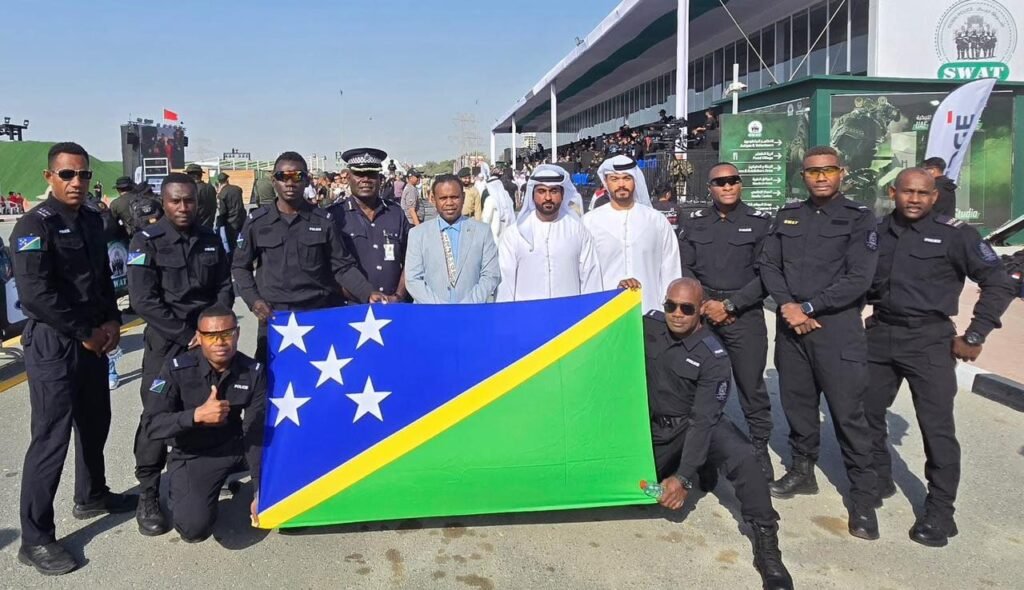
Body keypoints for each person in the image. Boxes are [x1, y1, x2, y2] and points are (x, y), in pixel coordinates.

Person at [864, 168, 1016, 547]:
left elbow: (998, 282)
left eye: (923, 193)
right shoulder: (877, 232)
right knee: (862, 411)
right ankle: (880, 475)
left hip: (929, 339)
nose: (914, 199)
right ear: (893, 192)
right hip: (881, 332)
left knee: (937, 428)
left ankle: (941, 510)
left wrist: (976, 333)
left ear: (934, 197)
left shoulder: (956, 235)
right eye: (907, 192)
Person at [11, 142, 135, 576]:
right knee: (51, 438)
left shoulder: (91, 220)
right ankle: (35, 538)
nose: (76, 182)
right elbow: (35, 295)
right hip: (55, 343)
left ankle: (92, 495)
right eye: (67, 174)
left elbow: (101, 277)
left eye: (83, 175)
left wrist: (113, 320)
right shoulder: (33, 225)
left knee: (96, 420)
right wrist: (86, 332)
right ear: (49, 177)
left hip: (92, 339)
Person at [759, 145, 880, 540]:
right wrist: (788, 306)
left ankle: (862, 498)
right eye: (813, 171)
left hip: (836, 328)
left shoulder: (859, 218)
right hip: (792, 327)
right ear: (803, 176)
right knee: (797, 404)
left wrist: (809, 307)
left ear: (842, 172)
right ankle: (802, 470)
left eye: (829, 170)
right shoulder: (788, 215)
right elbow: (769, 265)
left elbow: (859, 278)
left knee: (848, 414)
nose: (821, 177)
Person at [644, 278, 793, 590]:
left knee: (744, 457)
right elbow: (604, 327)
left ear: (700, 309)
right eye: (671, 305)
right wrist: (620, 294)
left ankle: (767, 544)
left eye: (686, 308)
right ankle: (694, 470)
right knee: (638, 489)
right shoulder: (650, 326)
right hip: (654, 429)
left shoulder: (713, 356)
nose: (677, 314)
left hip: (696, 424)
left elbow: (703, 421)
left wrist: (683, 478)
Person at [127, 172, 234, 536]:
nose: (184, 207)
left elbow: (224, 286)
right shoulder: (146, 241)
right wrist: (189, 336)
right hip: (169, 343)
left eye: (189, 200)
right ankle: (148, 491)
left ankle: (211, 471)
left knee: (214, 405)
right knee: (157, 414)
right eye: (176, 201)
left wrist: (213, 330)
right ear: (164, 202)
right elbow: (143, 300)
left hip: (208, 341)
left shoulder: (209, 239)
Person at [232, 152, 385, 362]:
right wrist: (254, 301)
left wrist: (368, 293)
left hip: (316, 315)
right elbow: (240, 267)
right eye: (283, 176)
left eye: (297, 176)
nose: (290, 182)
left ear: (306, 180)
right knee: (270, 377)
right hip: (274, 317)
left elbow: (342, 266)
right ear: (274, 180)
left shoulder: (324, 220)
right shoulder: (257, 222)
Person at [678, 163, 775, 479]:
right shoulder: (694, 222)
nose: (727, 186)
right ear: (710, 188)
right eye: (720, 182)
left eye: (733, 180)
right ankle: (701, 454)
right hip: (704, 313)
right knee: (698, 386)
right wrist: (706, 303)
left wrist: (731, 305)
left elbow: (768, 274)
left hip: (743, 315)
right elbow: (685, 267)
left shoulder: (760, 223)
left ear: (740, 184)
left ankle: (758, 450)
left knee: (751, 387)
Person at [141, 304, 265, 542]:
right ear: (198, 337)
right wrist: (196, 415)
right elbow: (151, 425)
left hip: (236, 447)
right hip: (195, 455)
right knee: (193, 529)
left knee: (288, 450)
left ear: (237, 333)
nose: (220, 342)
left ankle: (229, 481)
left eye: (227, 334)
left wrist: (261, 490)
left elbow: (256, 433)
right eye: (210, 336)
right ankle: (190, 491)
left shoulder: (252, 371)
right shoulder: (176, 370)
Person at [584, 154, 681, 313]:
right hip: (604, 312)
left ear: (635, 181)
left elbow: (670, 267)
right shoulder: (589, 222)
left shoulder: (656, 220)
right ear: (606, 182)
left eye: (627, 178)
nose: (621, 184)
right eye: (614, 179)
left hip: (650, 309)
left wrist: (669, 308)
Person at [496, 165, 602, 302]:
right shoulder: (514, 233)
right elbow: (505, 283)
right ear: (532, 195)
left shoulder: (577, 231)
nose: (547, 197)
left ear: (562, 195)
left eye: (554, 191)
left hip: (570, 313)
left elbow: (591, 279)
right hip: (527, 313)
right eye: (541, 191)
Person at [329, 148, 411, 302]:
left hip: (392, 304)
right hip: (350, 306)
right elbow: (330, 267)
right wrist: (363, 296)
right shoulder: (335, 216)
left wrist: (399, 296)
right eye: (359, 174)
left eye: (371, 174)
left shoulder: (396, 213)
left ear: (380, 178)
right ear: (348, 178)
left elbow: (411, 259)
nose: (365, 179)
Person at [405, 174, 500, 304]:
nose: (449, 203)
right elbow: (413, 279)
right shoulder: (418, 234)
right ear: (433, 199)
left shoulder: (482, 231)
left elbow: (491, 275)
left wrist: (467, 306)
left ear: (463, 197)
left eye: (455, 197)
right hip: (431, 312)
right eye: (443, 198)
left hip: (471, 311)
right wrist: (440, 309)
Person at [481, 162, 516, 243]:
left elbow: (486, 219)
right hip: (508, 234)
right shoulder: (506, 196)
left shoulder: (490, 199)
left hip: (494, 236)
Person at [215, 171, 245, 254]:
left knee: (231, 244)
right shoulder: (238, 189)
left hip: (230, 222)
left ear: (219, 182)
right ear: (227, 180)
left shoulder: (222, 194)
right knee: (241, 240)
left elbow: (223, 211)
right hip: (241, 218)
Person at [185, 164, 218, 229]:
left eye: (188, 174)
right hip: (209, 225)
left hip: (196, 227)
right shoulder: (210, 188)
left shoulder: (192, 189)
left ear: (193, 176)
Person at [107, 175, 136, 242]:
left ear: (118, 189)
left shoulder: (115, 203)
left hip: (130, 238)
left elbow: (111, 224)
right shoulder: (142, 198)